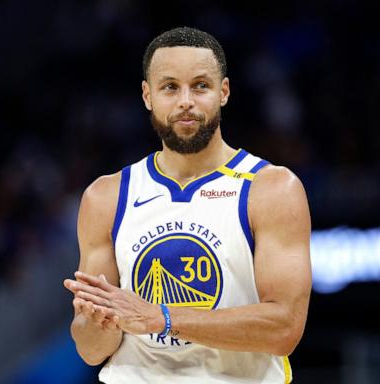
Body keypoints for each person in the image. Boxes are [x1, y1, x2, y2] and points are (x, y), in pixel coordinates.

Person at [64, 26, 312, 384]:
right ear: (148, 96)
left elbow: (284, 328)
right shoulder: (106, 197)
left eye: (200, 85)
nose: (185, 101)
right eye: (169, 87)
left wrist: (162, 318)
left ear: (223, 92)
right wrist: (95, 322)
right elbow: (91, 350)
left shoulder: (272, 189)